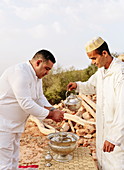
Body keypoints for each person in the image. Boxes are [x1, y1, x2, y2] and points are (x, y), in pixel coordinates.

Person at [0, 49, 64, 169]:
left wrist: (53, 109)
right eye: (47, 68)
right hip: (3, 125)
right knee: (4, 162)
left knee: (14, 158)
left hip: (16, 125)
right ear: (38, 62)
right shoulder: (20, 73)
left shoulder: (36, 77)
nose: (47, 72)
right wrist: (51, 115)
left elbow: (39, 97)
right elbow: (26, 103)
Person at [67, 37, 124, 170]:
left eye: (94, 58)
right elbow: (91, 86)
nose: (92, 62)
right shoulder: (101, 72)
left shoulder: (120, 74)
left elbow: (123, 108)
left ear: (104, 54)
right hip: (104, 133)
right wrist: (77, 86)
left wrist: (114, 137)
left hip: (117, 137)